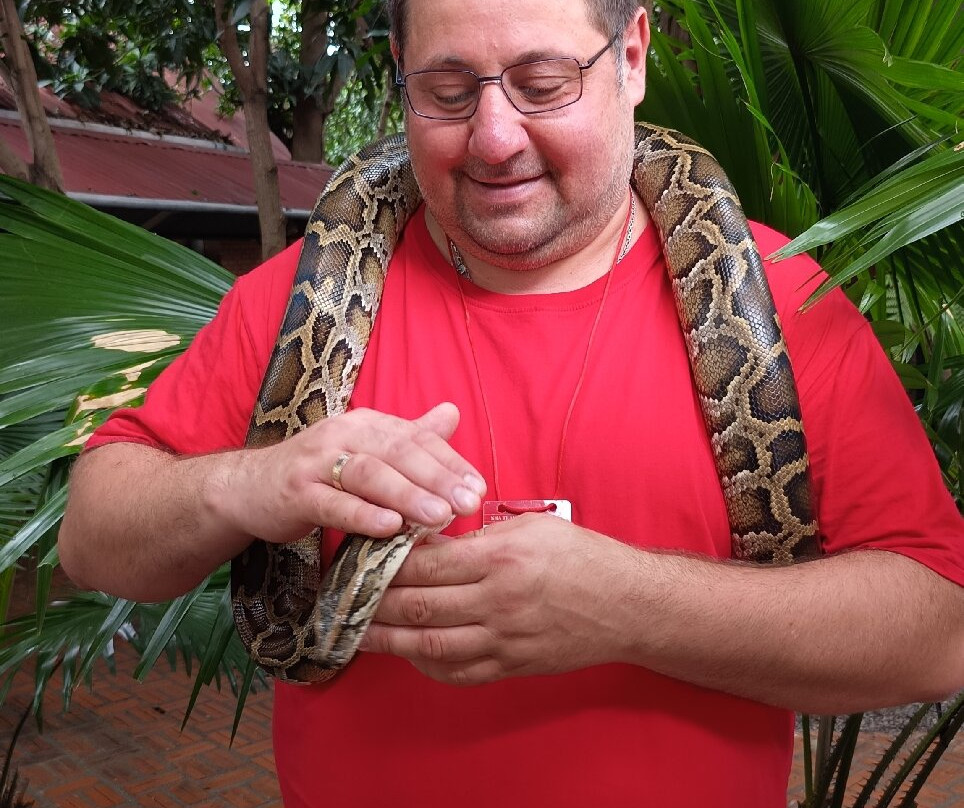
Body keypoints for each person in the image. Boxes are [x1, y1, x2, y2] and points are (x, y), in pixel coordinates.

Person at [58, 0, 963, 805]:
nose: (494, 137)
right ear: (400, 81)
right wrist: (247, 484)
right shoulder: (292, 300)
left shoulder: (787, 299)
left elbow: (939, 634)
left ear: (633, 56)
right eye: (448, 90)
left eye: (543, 81)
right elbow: (93, 540)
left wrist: (629, 604)